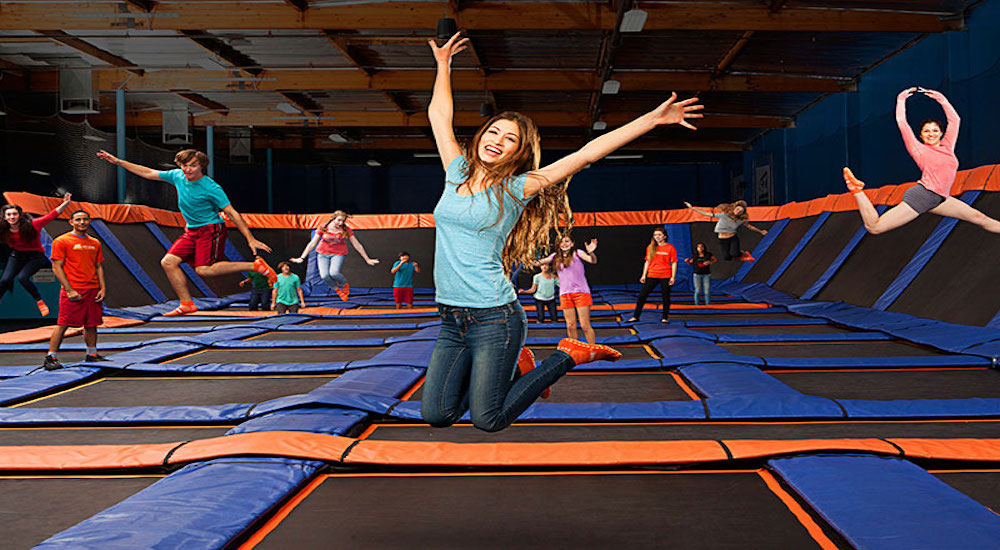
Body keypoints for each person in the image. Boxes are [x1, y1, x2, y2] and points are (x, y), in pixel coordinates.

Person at [422, 32, 701, 431]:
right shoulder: (456, 172)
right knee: (437, 415)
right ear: (481, 136)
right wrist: (444, 65)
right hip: (451, 316)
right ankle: (517, 366)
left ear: (518, 153)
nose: (497, 141)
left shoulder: (517, 188)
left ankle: (567, 355)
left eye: (510, 139)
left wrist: (652, 119)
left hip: (493, 317)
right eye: (493, 132)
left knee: (489, 418)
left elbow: (587, 153)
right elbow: (439, 117)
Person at [96, 149, 277, 316]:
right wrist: (118, 161)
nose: (188, 169)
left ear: (201, 166)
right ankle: (186, 303)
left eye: (193, 165)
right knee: (168, 262)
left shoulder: (210, 187)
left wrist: (250, 239)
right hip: (191, 230)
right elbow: (148, 173)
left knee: (204, 270)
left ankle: (255, 266)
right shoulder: (177, 176)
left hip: (210, 228)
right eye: (184, 165)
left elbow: (232, 212)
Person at [843, 87, 1000, 234]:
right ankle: (856, 190)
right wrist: (901, 100)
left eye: (934, 130)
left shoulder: (947, 147)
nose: (931, 134)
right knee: (875, 227)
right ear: (921, 135)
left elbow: (955, 120)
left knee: (980, 218)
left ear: (941, 133)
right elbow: (902, 123)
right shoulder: (918, 149)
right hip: (923, 195)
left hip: (941, 198)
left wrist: (941, 99)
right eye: (926, 131)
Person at [42, 210, 106, 370]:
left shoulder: (95, 243)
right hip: (73, 290)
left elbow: (98, 266)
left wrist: (102, 288)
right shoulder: (62, 241)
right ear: (71, 222)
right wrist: (69, 289)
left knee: (92, 324)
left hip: (92, 289)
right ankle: (51, 357)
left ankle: (92, 354)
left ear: (89, 221)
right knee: (62, 324)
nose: (82, 222)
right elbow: (57, 267)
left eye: (85, 219)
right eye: (78, 219)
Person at [0, 192, 73, 316]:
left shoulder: (33, 224)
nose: (12, 217)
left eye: (14, 214)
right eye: (9, 215)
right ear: (5, 217)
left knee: (22, 278)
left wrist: (65, 203)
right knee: (4, 280)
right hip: (17, 256)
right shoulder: (2, 228)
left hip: (36, 257)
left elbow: (52, 215)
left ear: (19, 215)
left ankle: (39, 300)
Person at [291, 210, 379, 302]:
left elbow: (357, 244)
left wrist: (367, 259)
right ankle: (338, 290)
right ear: (333, 219)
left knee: (334, 273)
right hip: (323, 254)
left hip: (338, 254)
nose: (340, 223)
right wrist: (302, 257)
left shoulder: (345, 229)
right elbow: (312, 243)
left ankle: (344, 285)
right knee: (324, 276)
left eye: (343, 221)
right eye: (339, 220)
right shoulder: (323, 227)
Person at [540, 235, 600, 342]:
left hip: (581, 293)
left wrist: (591, 252)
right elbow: (540, 262)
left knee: (584, 325)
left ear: (572, 243)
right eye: (561, 242)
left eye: (567, 241)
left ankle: (593, 349)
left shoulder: (578, 253)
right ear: (558, 245)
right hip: (565, 294)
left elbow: (592, 260)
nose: (564, 244)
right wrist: (525, 257)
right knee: (570, 325)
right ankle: (575, 349)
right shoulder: (555, 257)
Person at [683, 200, 767, 261]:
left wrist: (761, 231)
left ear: (742, 213)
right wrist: (692, 208)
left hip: (732, 238)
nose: (738, 211)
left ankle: (744, 254)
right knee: (726, 257)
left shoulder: (740, 220)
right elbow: (707, 214)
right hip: (722, 239)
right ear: (734, 208)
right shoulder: (724, 215)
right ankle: (742, 257)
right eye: (737, 209)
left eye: (740, 211)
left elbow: (750, 226)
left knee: (735, 253)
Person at [627, 227, 677, 323]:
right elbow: (647, 261)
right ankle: (635, 316)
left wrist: (673, 277)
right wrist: (643, 275)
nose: (657, 237)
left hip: (665, 275)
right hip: (652, 274)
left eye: (659, 235)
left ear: (664, 236)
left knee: (665, 297)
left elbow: (674, 262)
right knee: (642, 295)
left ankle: (665, 317)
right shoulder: (651, 247)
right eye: (655, 235)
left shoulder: (670, 248)